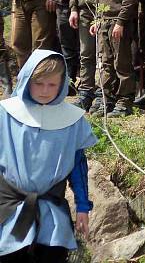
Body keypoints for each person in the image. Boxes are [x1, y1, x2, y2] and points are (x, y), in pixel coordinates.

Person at [0, 50, 97, 262]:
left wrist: (82, 206)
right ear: (27, 80)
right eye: (39, 83)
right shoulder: (5, 114)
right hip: (10, 211)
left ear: (62, 84)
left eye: (52, 85)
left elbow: (78, 167)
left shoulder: (72, 120)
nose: (45, 91)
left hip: (52, 212)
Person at [90, 0, 142, 117]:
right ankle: (107, 98)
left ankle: (124, 100)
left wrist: (120, 21)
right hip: (104, 21)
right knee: (106, 62)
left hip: (120, 23)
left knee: (123, 62)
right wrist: (97, 18)